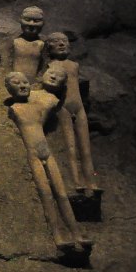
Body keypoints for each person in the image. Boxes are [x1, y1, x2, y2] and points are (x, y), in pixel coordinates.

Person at [6, 69, 92, 253]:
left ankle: (76, 232)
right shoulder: (14, 109)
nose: (22, 86)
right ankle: (57, 236)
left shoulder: (40, 105)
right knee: (46, 194)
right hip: (34, 155)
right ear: (8, 89)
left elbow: (49, 102)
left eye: (25, 82)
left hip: (47, 153)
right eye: (16, 83)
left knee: (61, 193)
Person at [46, 33, 100, 194]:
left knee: (85, 148)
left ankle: (91, 182)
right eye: (56, 41)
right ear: (49, 47)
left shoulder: (74, 65)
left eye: (64, 41)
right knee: (70, 147)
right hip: (63, 107)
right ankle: (76, 181)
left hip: (79, 107)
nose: (61, 44)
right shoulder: (51, 66)